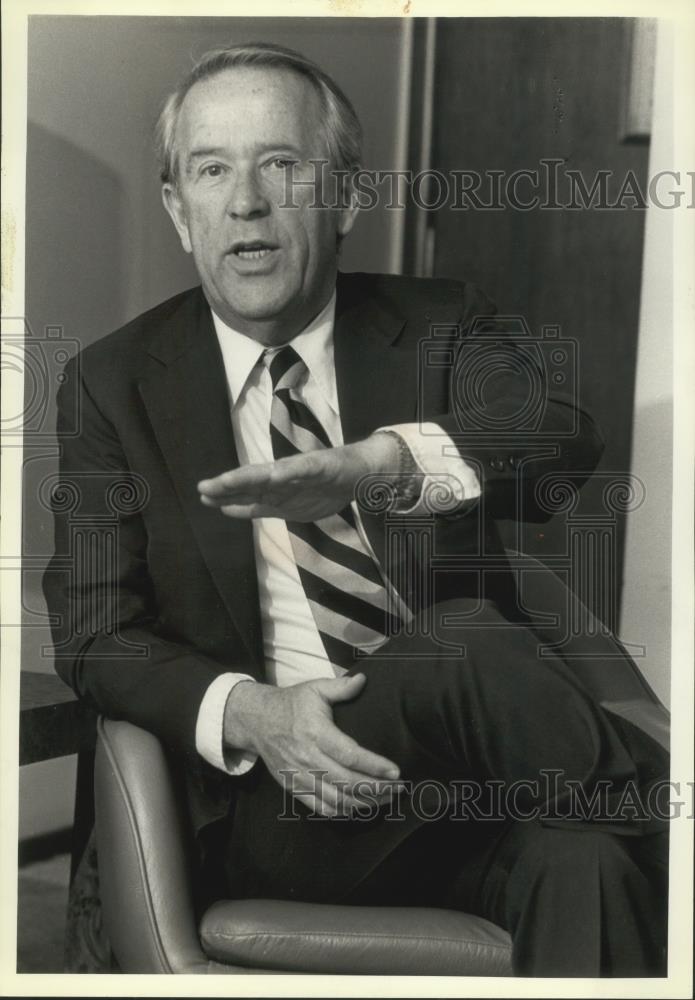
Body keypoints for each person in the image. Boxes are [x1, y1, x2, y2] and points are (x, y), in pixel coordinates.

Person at [43, 42, 668, 976]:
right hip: (281, 805)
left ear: (346, 197)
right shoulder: (112, 383)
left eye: (282, 163)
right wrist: (254, 713)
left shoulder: (441, 322)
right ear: (180, 211)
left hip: (478, 791)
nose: (246, 201)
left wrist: (389, 459)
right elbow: (97, 633)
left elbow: (563, 430)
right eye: (211, 169)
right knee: (473, 640)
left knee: (585, 865)